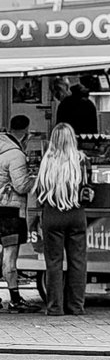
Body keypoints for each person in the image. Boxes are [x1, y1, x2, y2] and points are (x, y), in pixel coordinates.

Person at [28, 123, 88, 317]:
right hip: (76, 213)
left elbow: (39, 192)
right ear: (72, 139)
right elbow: (89, 188)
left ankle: (55, 307)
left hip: (52, 214)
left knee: (53, 263)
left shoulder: (47, 161)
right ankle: (76, 307)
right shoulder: (80, 160)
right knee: (77, 261)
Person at [0, 115, 40, 311]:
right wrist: (35, 178)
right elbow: (21, 186)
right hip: (9, 211)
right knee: (9, 257)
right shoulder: (15, 154)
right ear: (26, 131)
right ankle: (15, 299)